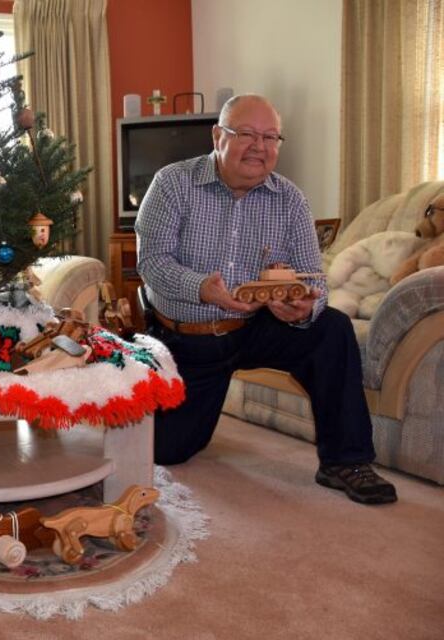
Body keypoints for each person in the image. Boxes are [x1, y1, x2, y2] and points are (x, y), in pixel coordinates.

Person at [135, 94, 397, 505]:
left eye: (271, 137)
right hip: (189, 340)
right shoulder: (172, 183)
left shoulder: (290, 199)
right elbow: (151, 262)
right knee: (169, 451)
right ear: (217, 136)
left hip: (256, 326)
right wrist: (203, 287)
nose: (260, 147)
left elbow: (317, 279)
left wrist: (305, 307)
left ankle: (345, 461)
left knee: (331, 328)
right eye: (247, 134)